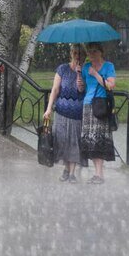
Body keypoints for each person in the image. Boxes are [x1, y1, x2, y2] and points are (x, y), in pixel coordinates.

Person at [43, 44, 87, 183]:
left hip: (77, 113)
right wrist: (49, 108)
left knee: (74, 143)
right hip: (61, 111)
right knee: (62, 141)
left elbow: (82, 91)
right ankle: (66, 169)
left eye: (79, 53)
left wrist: (81, 77)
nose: (77, 56)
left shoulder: (86, 70)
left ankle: (72, 173)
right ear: (71, 53)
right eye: (74, 53)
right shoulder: (62, 69)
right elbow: (55, 89)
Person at [77, 42, 116, 184]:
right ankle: (96, 173)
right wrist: (80, 81)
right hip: (87, 106)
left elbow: (110, 86)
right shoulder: (86, 67)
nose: (91, 55)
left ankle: (100, 174)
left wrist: (96, 74)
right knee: (91, 141)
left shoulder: (108, 66)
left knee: (98, 139)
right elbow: (83, 89)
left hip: (100, 106)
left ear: (101, 52)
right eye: (89, 52)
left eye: (94, 52)